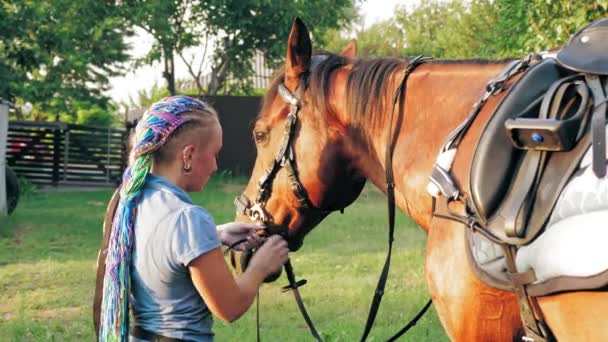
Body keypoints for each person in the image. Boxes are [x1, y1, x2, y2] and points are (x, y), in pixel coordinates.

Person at [99, 95, 289, 342]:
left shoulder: (131, 201)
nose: (215, 167)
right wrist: (261, 266)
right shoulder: (188, 218)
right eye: (214, 154)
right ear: (188, 156)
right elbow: (229, 308)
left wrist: (215, 235)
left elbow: (159, 246)